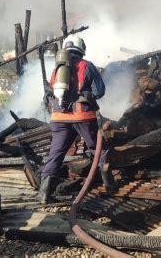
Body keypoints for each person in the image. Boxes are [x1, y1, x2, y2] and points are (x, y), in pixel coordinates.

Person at [39, 35, 115, 204]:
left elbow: (54, 90)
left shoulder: (57, 70)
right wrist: (84, 94)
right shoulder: (86, 65)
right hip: (83, 116)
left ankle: (44, 192)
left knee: (56, 154)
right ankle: (109, 184)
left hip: (58, 118)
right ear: (82, 48)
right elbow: (99, 91)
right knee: (98, 148)